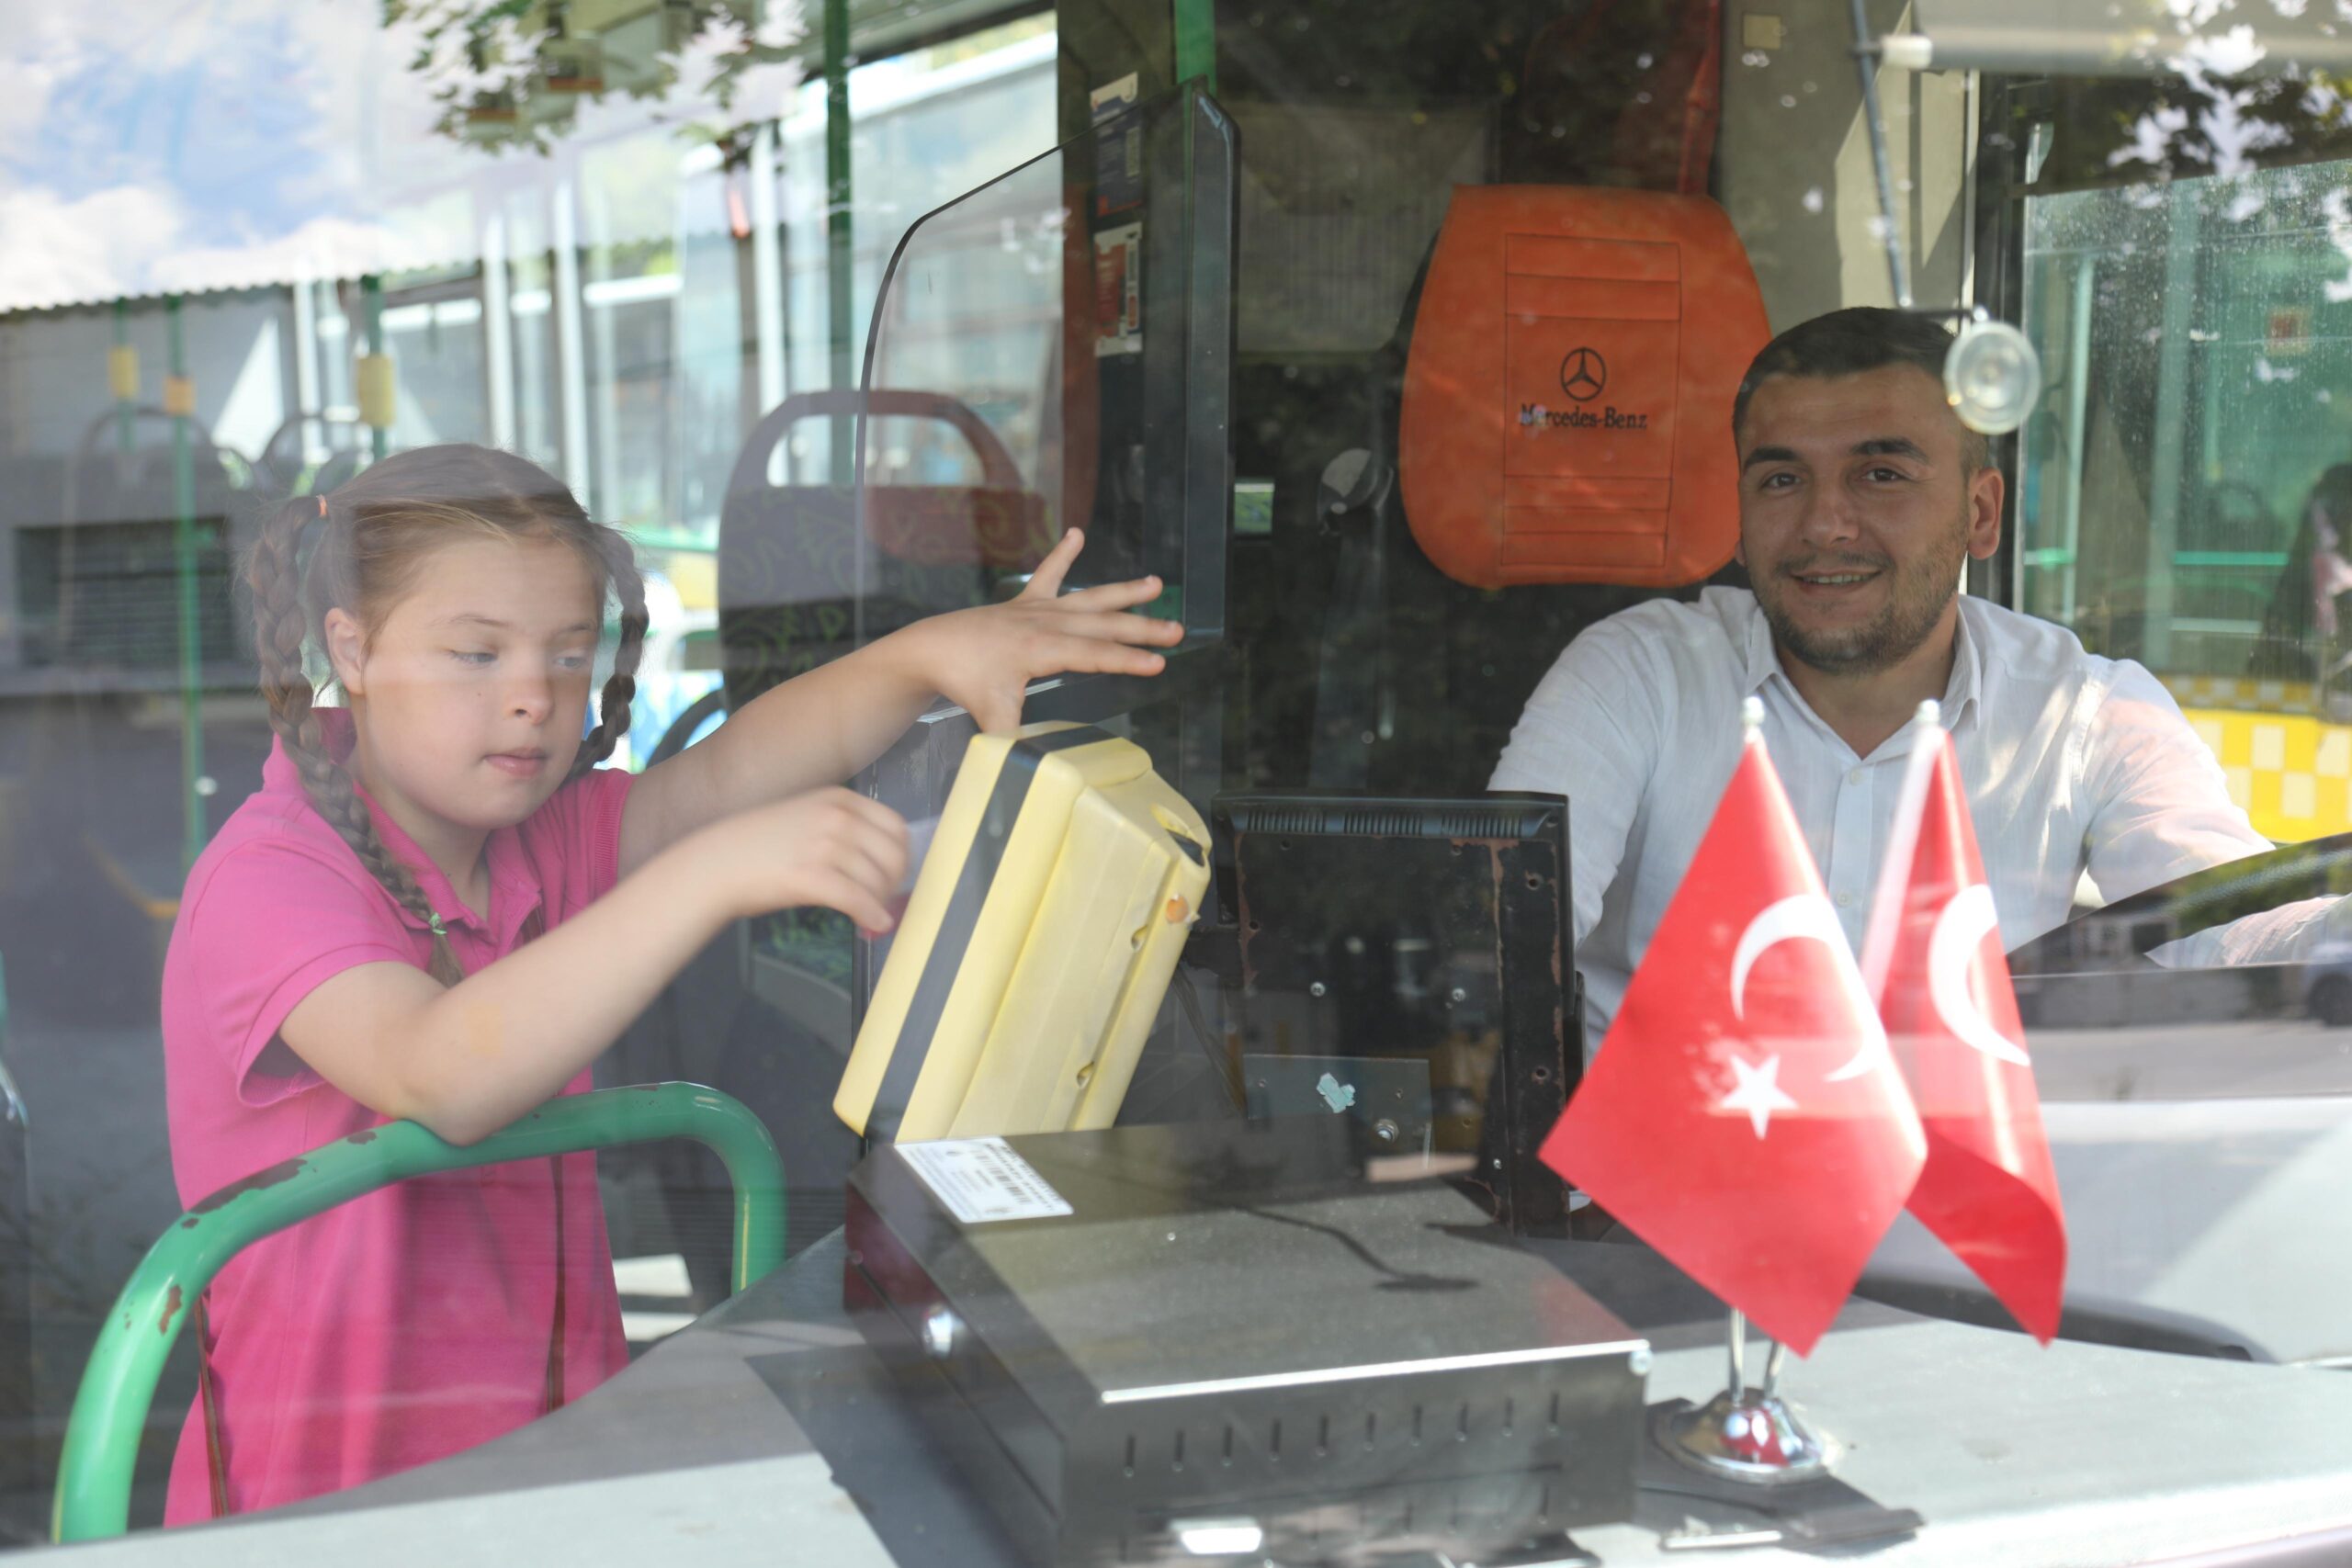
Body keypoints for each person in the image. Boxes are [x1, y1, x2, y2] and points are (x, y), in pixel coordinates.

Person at [160, 444, 1181, 1521]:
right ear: (352, 651)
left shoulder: (538, 839)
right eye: (475, 655)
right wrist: (707, 877)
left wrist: (927, 655)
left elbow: (732, 776)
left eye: (565, 656)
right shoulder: (271, 877)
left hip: (551, 1458)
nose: (532, 701)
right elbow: (439, 1069)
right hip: (333, 1501)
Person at [1492, 307, 2278, 1049]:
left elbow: (2239, 931)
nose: (1824, 523)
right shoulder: (1637, 674)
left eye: (1880, 474)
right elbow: (1501, 925)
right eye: (1782, 480)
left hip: (1955, 1189)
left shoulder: (2083, 710)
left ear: (1981, 513)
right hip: (1641, 1190)